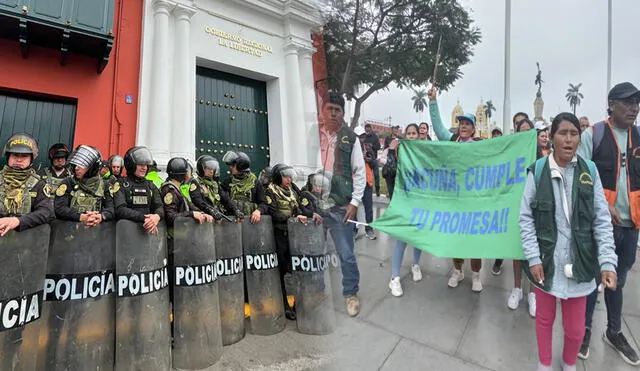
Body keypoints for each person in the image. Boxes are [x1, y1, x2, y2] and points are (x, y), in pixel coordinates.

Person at [519, 112, 618, 371]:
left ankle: (569, 363)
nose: (568, 139)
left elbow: (601, 219)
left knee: (575, 330)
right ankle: (544, 363)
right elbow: (525, 217)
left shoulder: (590, 171)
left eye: (574, 134)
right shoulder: (538, 171)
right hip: (546, 262)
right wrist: (533, 257)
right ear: (551, 138)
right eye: (562, 133)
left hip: (581, 263)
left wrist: (607, 261)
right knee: (544, 319)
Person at [577, 82, 640, 365]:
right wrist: (604, 204)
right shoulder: (595, 135)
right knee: (593, 279)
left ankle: (613, 332)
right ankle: (584, 330)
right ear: (611, 104)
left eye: (637, 103)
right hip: (601, 225)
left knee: (618, 280)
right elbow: (578, 178)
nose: (634, 108)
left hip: (631, 226)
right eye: (627, 102)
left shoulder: (638, 137)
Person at [428, 87, 483, 292]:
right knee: (456, 236)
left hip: (473, 199)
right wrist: (433, 101)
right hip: (454, 199)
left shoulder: (481, 145)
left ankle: (476, 275)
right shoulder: (450, 140)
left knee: (474, 238)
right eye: (461, 123)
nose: (463, 126)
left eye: (468, 123)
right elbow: (437, 126)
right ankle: (458, 271)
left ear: (474, 128)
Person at [318, 91, 366, 317]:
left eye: (338, 110)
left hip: (340, 206)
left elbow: (359, 173)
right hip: (314, 206)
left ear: (343, 114)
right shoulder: (312, 136)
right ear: (322, 111)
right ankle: (315, 291)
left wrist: (354, 202)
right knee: (312, 252)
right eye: (330, 109)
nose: (334, 113)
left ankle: (351, 294)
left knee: (346, 253)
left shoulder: (351, 138)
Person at [493, 117, 537, 315]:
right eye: (521, 131)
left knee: (534, 252)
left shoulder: (541, 156)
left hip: (535, 209)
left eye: (529, 130)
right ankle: (517, 288)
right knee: (517, 250)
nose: (525, 134)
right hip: (515, 207)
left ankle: (534, 293)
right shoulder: (510, 155)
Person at [265, 164, 319, 320]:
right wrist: (291, 218)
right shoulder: (271, 191)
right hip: (279, 235)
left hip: (294, 235)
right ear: (277, 177)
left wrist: (310, 214)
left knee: (298, 269)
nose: (289, 179)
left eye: (290, 176)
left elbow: (299, 208)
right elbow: (273, 213)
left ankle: (298, 303)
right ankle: (285, 305)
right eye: (285, 176)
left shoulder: (292, 191)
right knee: (280, 272)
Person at [388, 124, 424, 297]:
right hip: (403, 202)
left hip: (420, 203)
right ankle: (394, 277)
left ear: (418, 135)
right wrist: (390, 152)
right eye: (408, 133)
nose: (411, 136)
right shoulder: (398, 151)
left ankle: (415, 264)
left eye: (414, 133)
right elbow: (388, 172)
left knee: (417, 238)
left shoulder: (424, 153)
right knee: (401, 240)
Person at [0, 133, 54, 236]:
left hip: (26, 244)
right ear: (8, 157)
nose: (19, 160)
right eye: (15, 155)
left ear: (31, 159)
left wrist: (18, 221)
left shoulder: (38, 184)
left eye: (24, 156)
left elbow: (47, 212)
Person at [54, 145, 114, 226]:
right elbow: (59, 208)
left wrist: (100, 216)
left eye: (82, 165)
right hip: (69, 230)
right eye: (76, 164)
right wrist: (80, 217)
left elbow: (111, 209)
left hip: (96, 231)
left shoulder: (104, 185)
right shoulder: (68, 182)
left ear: (93, 167)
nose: (76, 168)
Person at [113, 146, 164, 234]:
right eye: (140, 165)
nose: (144, 168)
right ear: (131, 165)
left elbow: (159, 206)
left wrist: (157, 216)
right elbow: (120, 209)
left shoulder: (150, 185)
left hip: (147, 234)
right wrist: (145, 218)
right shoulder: (121, 184)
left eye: (146, 165)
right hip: (126, 234)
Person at [189, 155, 243, 221]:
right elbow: (197, 201)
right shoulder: (195, 183)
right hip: (205, 219)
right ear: (201, 168)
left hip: (218, 217)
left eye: (213, 168)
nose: (211, 171)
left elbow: (225, 199)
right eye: (208, 168)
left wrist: (235, 210)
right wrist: (210, 210)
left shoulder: (215, 184)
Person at [221, 151, 268, 224]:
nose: (230, 167)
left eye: (233, 165)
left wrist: (258, 211)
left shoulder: (255, 182)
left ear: (240, 166)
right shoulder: (227, 182)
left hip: (250, 223)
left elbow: (264, 203)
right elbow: (223, 200)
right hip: (232, 222)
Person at [354, 126, 377, 240]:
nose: (361, 139)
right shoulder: (350, 149)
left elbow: (374, 164)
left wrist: (368, 160)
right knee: (354, 207)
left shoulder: (368, 148)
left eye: (362, 136)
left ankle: (369, 229)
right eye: (358, 136)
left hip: (367, 182)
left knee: (368, 207)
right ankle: (354, 229)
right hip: (355, 182)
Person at [382, 125, 402, 198]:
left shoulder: (400, 138)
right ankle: (389, 193)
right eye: (394, 129)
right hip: (389, 164)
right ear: (392, 130)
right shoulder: (388, 138)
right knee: (389, 184)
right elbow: (385, 149)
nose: (395, 130)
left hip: (397, 164)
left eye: (397, 129)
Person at [363, 124, 382, 197]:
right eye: (366, 130)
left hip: (374, 160)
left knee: (376, 175)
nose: (367, 131)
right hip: (366, 160)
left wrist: (371, 146)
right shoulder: (364, 136)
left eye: (368, 130)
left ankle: (377, 191)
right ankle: (366, 190)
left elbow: (379, 147)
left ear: (371, 129)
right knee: (366, 176)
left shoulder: (375, 137)